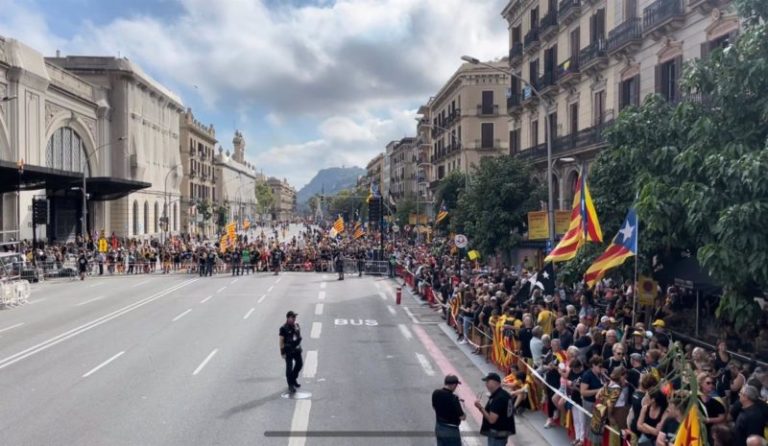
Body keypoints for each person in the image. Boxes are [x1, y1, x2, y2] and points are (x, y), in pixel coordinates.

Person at [475, 372, 515, 446]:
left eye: (487, 382)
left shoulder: (498, 398)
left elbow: (492, 420)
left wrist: (480, 408)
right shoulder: (503, 394)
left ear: (494, 382)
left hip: (497, 434)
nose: (486, 384)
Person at [432, 374, 466, 446]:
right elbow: (462, 417)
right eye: (456, 385)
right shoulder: (454, 398)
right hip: (451, 430)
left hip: (439, 427)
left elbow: (434, 407)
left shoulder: (435, 393)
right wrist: (462, 406)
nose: (456, 387)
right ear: (453, 385)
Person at [279, 311, 303, 393]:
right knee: (289, 368)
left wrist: (297, 330)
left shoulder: (296, 326)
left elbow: (298, 336)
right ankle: (290, 385)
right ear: (288, 318)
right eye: (293, 317)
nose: (294, 319)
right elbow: (281, 341)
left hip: (296, 349)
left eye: (295, 317)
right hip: (288, 350)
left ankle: (293, 378)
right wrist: (282, 352)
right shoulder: (283, 328)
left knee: (299, 364)